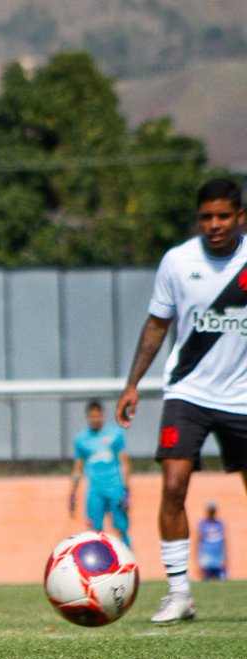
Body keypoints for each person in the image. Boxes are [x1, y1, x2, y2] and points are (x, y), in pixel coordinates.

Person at [116, 176, 247, 625]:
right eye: (207, 216)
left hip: (243, 397)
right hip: (187, 392)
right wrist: (133, 383)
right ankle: (178, 594)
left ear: (240, 217)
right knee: (173, 486)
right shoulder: (177, 261)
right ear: (198, 218)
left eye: (224, 216)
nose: (215, 224)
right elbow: (157, 325)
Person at [68, 400, 131, 548]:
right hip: (95, 491)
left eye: (98, 416)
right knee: (94, 532)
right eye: (92, 416)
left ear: (102, 415)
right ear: (87, 417)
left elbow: (124, 462)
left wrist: (126, 490)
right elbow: (77, 469)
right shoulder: (81, 440)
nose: (95, 419)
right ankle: (97, 567)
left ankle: (129, 562)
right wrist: (72, 494)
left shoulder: (115, 434)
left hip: (115, 489)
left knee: (121, 528)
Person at [197, 500, 228, 580]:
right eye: (210, 511)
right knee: (206, 579)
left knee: (220, 579)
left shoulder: (220, 524)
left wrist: (225, 558)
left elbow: (224, 542)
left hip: (218, 556)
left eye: (212, 511)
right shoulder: (202, 524)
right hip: (206, 557)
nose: (211, 513)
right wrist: (197, 560)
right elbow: (197, 542)